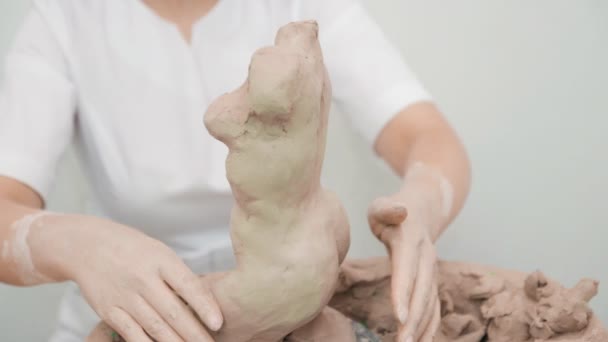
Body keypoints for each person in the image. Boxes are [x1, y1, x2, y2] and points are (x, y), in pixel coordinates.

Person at [0, 0, 471, 341]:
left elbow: (427, 139)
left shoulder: (301, 9)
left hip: (296, 313)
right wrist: (80, 244)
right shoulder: (63, 20)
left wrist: (420, 210)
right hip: (127, 321)